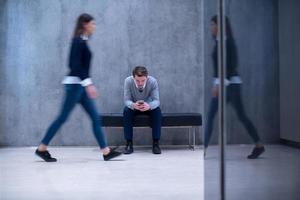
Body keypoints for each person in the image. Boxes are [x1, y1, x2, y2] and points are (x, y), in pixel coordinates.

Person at [35, 13, 122, 162]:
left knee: (95, 117)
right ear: (84, 24)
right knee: (62, 118)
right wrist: (88, 84)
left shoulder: (82, 41)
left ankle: (106, 152)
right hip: (75, 86)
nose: (95, 27)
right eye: (93, 24)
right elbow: (74, 65)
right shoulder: (77, 42)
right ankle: (42, 148)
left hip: (80, 85)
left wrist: (86, 84)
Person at [204, 15, 265, 159]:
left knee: (241, 116)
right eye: (211, 24)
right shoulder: (218, 43)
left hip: (232, 85)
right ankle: (204, 149)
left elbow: (231, 66)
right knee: (212, 115)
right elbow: (219, 68)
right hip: (223, 85)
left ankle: (259, 145)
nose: (211, 27)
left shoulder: (228, 42)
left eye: (213, 24)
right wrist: (217, 84)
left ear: (220, 26)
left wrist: (219, 84)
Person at [123, 66, 162, 154]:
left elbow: (157, 100)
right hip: (134, 105)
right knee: (126, 111)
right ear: (133, 77)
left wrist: (149, 106)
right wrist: (133, 105)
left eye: (143, 80)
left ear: (147, 77)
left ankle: (156, 143)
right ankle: (129, 143)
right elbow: (126, 100)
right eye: (137, 80)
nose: (140, 83)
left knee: (157, 111)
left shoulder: (153, 81)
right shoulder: (128, 81)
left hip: (148, 105)